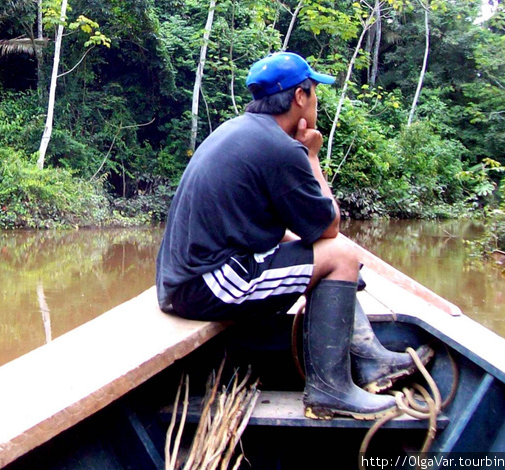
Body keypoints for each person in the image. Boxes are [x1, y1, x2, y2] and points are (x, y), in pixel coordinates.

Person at [156, 51, 430, 419]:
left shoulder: (239, 131)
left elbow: (297, 232)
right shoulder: (281, 148)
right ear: (300, 97)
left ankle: (370, 359)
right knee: (342, 257)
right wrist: (311, 157)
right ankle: (331, 392)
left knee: (328, 252)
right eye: (314, 92)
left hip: (186, 282)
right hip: (208, 285)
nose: (316, 100)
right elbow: (328, 225)